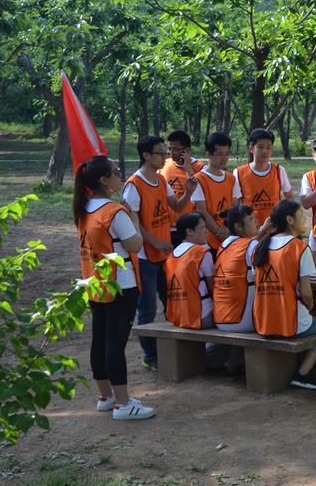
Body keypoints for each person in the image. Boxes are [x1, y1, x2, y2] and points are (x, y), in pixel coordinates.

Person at [73, 155, 154, 420]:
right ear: (104, 180)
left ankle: (106, 396)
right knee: (115, 345)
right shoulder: (113, 212)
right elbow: (134, 245)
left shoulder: (84, 209)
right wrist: (134, 221)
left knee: (100, 340)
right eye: (116, 170)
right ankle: (123, 404)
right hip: (121, 285)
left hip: (95, 283)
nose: (120, 174)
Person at [122, 135, 198, 369]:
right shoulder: (134, 185)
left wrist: (188, 191)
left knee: (170, 301)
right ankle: (150, 357)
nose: (165, 156)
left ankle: (170, 350)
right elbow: (133, 224)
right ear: (146, 155)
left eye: (165, 152)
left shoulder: (160, 180)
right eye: (160, 152)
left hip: (164, 253)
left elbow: (176, 207)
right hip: (145, 256)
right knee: (147, 309)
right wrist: (154, 242)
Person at [251, 199, 316, 390]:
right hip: (291, 323)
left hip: (263, 322)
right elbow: (306, 293)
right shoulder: (299, 248)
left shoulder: (260, 247)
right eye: (301, 216)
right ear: (289, 219)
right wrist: (310, 304)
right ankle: (303, 374)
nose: (305, 220)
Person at [213, 204, 261, 334]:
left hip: (220, 319)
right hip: (242, 320)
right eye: (251, 219)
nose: (257, 222)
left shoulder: (223, 245)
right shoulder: (251, 244)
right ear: (238, 226)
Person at [165, 213, 217, 329]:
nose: (206, 231)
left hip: (178, 316)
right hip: (201, 316)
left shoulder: (172, 255)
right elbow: (213, 287)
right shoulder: (201, 253)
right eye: (202, 227)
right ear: (189, 231)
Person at [192, 132, 242, 251]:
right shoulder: (198, 179)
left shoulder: (231, 178)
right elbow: (202, 211)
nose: (224, 158)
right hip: (208, 239)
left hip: (230, 235)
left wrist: (228, 228)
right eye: (219, 154)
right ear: (208, 154)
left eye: (227, 154)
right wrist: (219, 232)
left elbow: (235, 206)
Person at [237, 128, 294, 227]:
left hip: (275, 227)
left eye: (269, 147)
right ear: (251, 148)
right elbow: (236, 203)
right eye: (260, 147)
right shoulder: (239, 172)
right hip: (251, 229)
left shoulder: (279, 170)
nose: (265, 151)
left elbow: (289, 197)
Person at [160, 130, 206, 246]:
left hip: (191, 227)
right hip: (169, 226)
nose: (171, 153)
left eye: (176, 149)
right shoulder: (164, 165)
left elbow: (201, 192)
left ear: (187, 150)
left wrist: (188, 169)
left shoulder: (200, 167)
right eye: (169, 149)